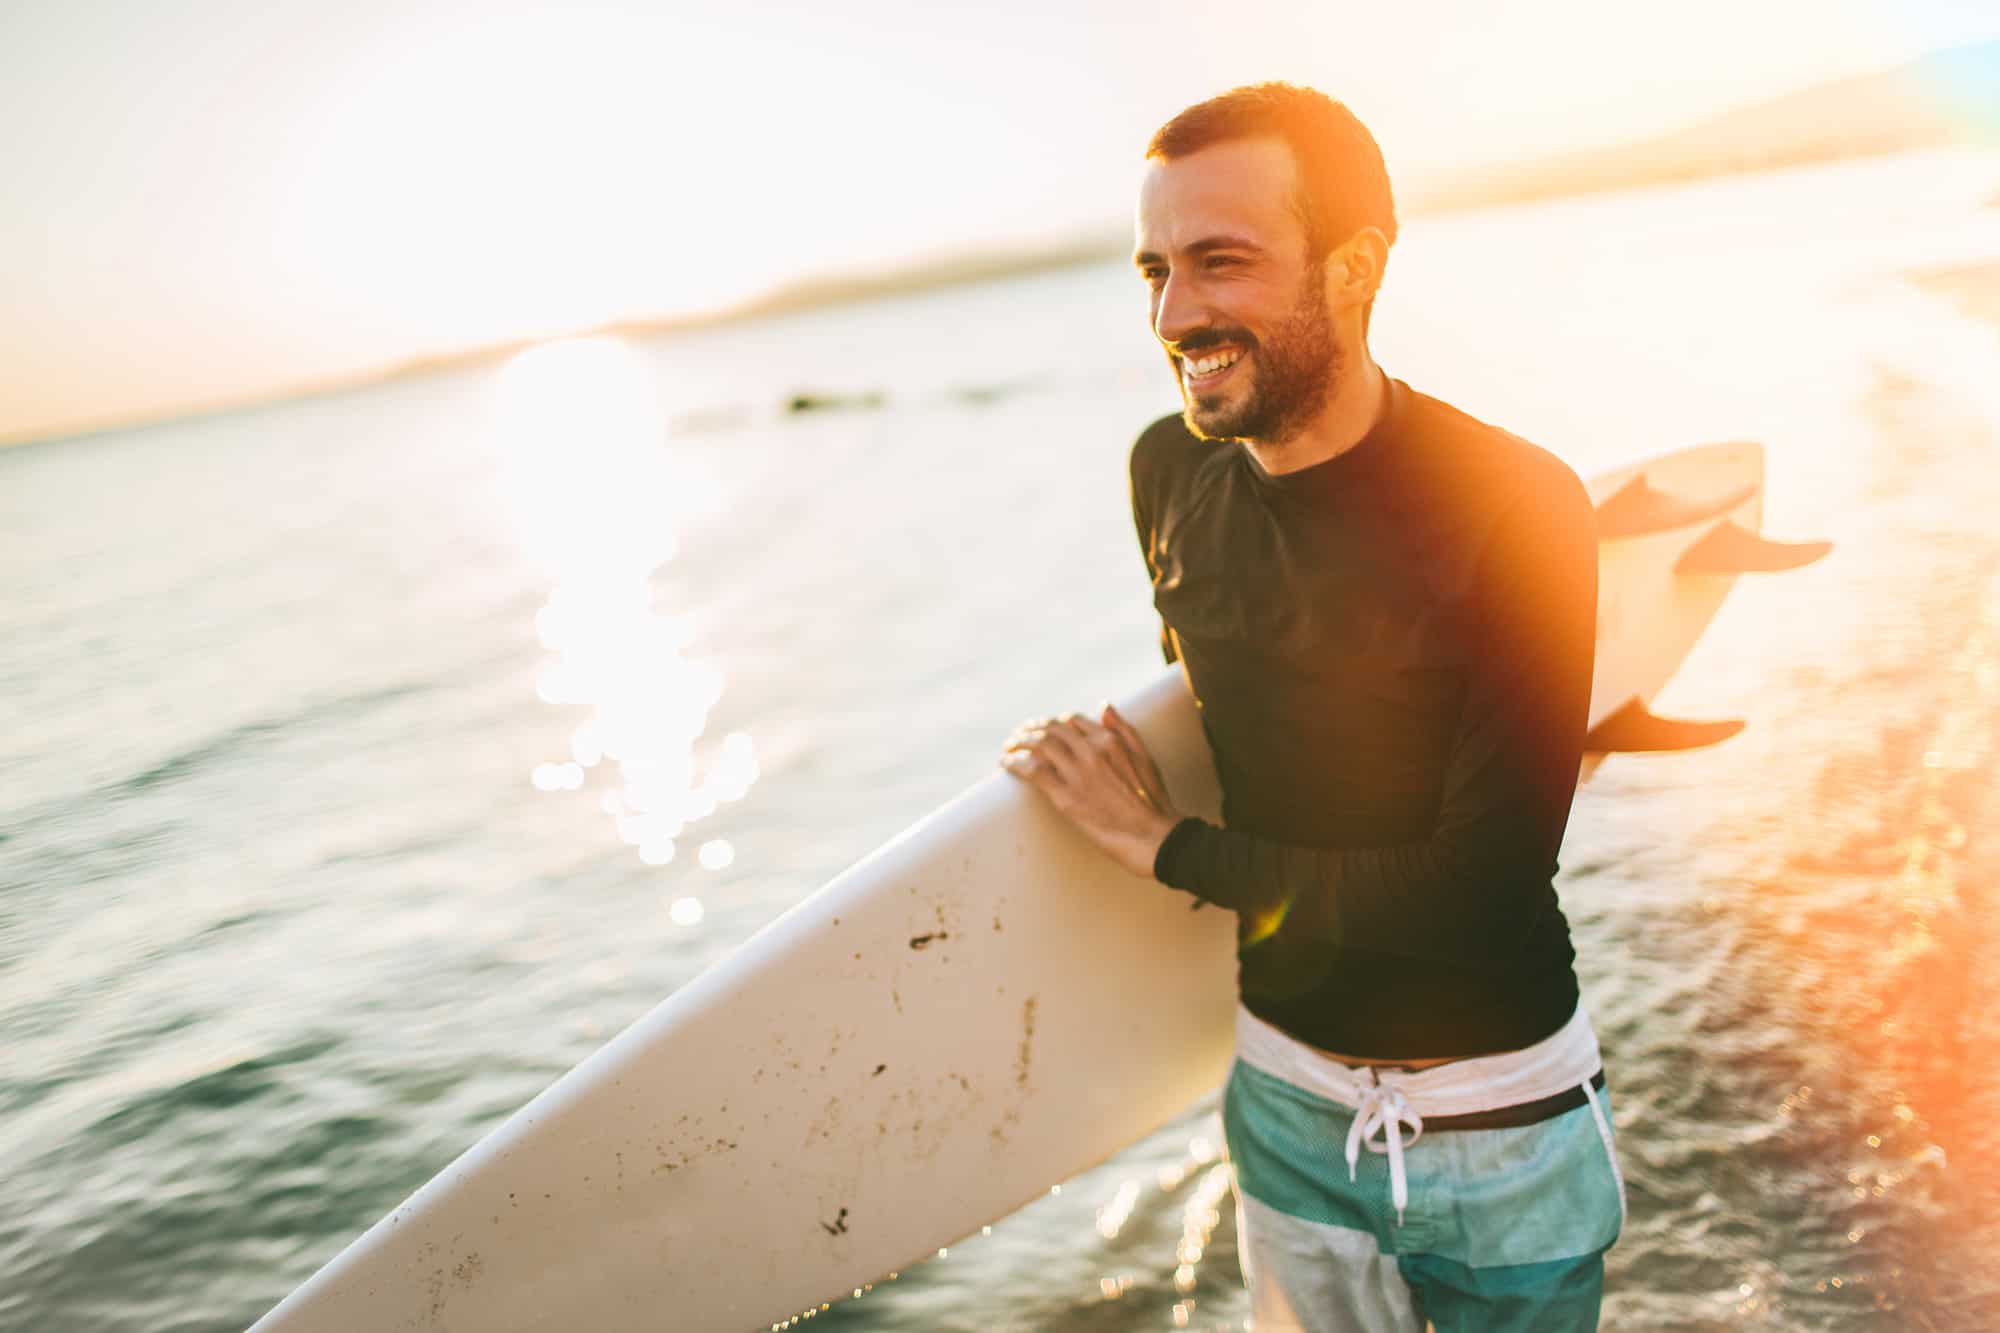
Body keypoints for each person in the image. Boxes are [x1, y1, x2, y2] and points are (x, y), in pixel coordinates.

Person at [1000, 83, 1623, 1332]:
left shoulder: (1513, 504)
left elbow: (1477, 886)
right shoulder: (1165, 471)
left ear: (1354, 266)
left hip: (1496, 1113)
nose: (1176, 314)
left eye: (1219, 263)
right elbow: (1274, 721)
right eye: (1154, 271)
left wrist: (1160, 847)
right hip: (1282, 1102)